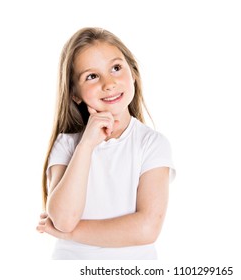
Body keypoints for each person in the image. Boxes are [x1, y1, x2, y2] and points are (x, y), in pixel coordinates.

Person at [36, 27, 176, 260]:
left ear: (133, 74)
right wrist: (87, 145)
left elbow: (146, 229)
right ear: (75, 93)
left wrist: (70, 234)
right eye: (92, 76)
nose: (109, 83)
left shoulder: (152, 144)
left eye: (116, 68)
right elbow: (63, 219)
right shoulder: (67, 145)